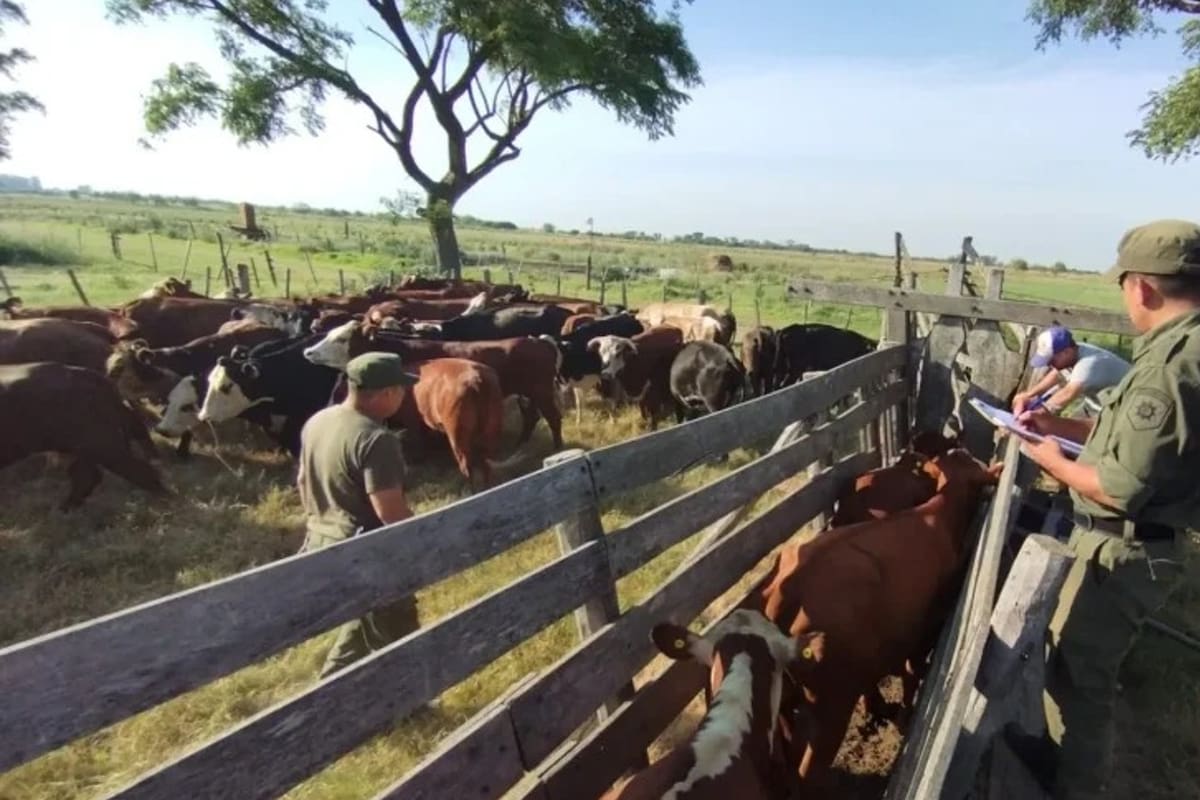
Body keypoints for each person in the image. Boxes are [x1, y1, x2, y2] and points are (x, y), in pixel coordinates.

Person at [1009, 219, 1200, 799]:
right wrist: (1058, 425)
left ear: (1142, 288)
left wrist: (1047, 456)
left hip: (1128, 546)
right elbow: (1128, 436)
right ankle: (1065, 762)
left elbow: (1118, 486)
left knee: (1083, 677)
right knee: (1072, 664)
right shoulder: (1178, 352)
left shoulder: (1168, 368)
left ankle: (1076, 786)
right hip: (1137, 541)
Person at [296, 351, 420, 679]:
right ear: (386, 393)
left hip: (321, 540)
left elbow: (302, 482)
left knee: (363, 623)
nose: (404, 396)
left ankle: (331, 687)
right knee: (396, 627)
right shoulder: (376, 439)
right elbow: (389, 511)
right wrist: (422, 545)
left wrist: (321, 518)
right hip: (366, 552)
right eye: (401, 389)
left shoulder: (318, 421)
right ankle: (408, 701)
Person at [1012, 326, 1130, 418]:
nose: (1048, 364)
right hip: (1096, 406)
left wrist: (1035, 414)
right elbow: (1057, 375)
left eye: (1052, 359)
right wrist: (1029, 395)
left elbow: (1068, 393)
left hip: (1120, 413)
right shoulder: (1075, 352)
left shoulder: (1088, 364)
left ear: (1067, 352)